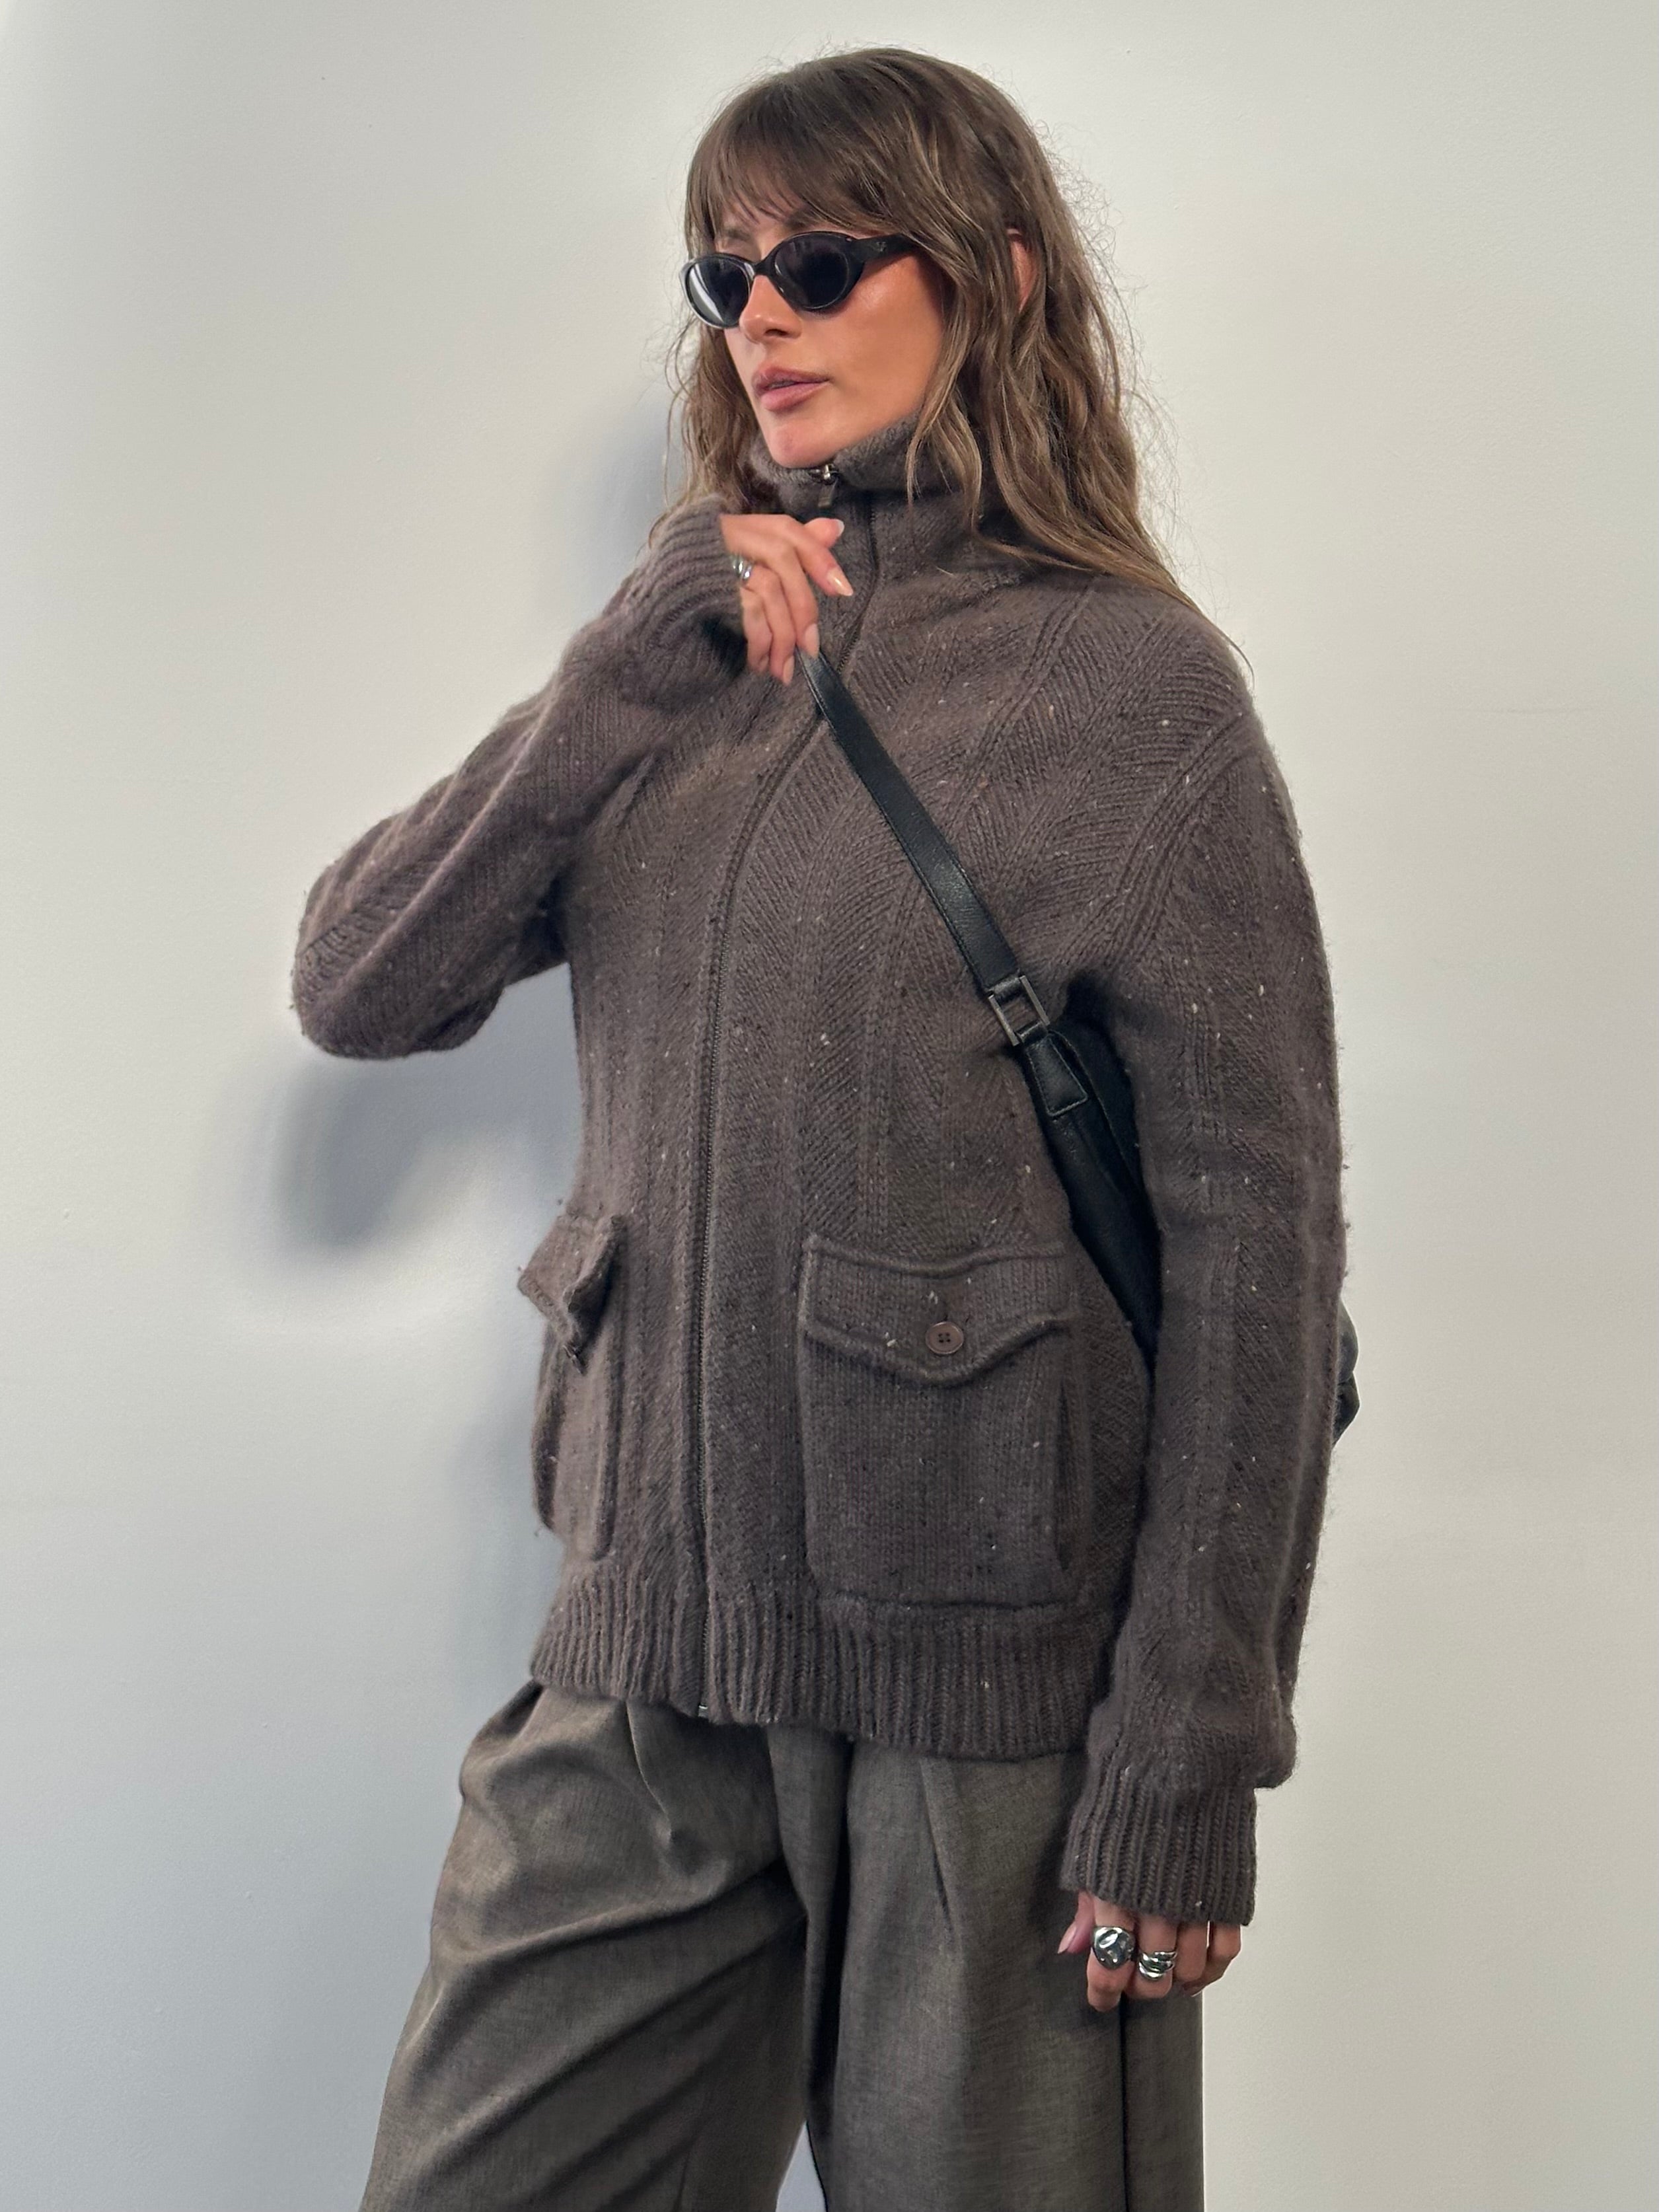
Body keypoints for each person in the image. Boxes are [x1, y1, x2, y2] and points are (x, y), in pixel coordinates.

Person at [290, 44, 1348, 2212]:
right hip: (645, 1669)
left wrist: (1188, 1750)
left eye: (822, 261)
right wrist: (612, 676)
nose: (758, 315)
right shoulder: (672, 665)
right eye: (723, 273)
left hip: (1003, 1727)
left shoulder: (1138, 693)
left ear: (999, 280)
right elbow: (360, 983)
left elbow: (1262, 1252)